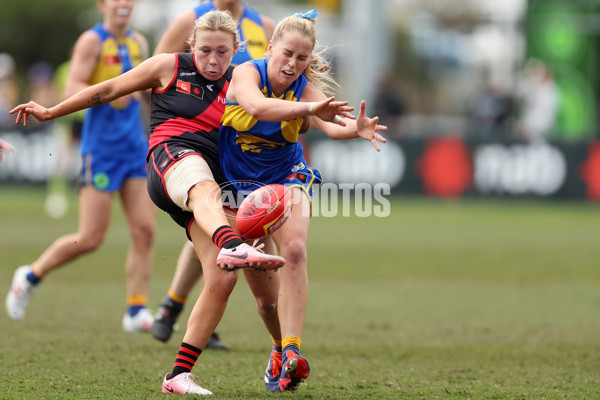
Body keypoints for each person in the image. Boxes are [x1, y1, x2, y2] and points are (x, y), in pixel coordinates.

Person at [9, 10, 286, 395]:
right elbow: (108, 89)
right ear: (192, 46)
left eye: (222, 52)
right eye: (204, 50)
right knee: (199, 187)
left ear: (236, 51)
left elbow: (282, 115)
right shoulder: (167, 66)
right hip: (170, 160)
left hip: (218, 186)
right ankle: (228, 244)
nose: (212, 60)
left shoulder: (243, 82)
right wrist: (52, 111)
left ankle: (206, 369)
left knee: (247, 289)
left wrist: (323, 119)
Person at [218, 9, 387, 392]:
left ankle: (293, 352)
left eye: (301, 58)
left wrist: (355, 129)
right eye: (287, 54)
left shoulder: (304, 89)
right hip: (239, 191)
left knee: (294, 251)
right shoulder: (246, 72)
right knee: (266, 302)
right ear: (271, 47)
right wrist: (312, 109)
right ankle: (278, 347)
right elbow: (258, 108)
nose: (292, 64)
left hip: (287, 178)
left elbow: (330, 124)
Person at [5, 0, 156, 332]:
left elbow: (144, 92)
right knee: (90, 238)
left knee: (145, 231)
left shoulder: (139, 42)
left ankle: (135, 310)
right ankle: (30, 275)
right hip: (100, 150)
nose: (125, 4)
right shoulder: (92, 40)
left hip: (134, 149)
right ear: (103, 4)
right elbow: (70, 86)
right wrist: (109, 93)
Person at [151, 0, 275, 348]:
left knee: (219, 225)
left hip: (237, 149)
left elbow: (276, 76)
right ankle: (175, 306)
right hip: (188, 145)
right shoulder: (191, 19)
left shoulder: (261, 25)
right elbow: (156, 76)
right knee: (214, 220)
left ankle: (177, 307)